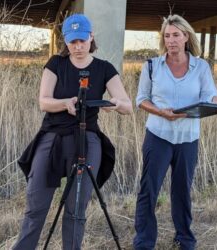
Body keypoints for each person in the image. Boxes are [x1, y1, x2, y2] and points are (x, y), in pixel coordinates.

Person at [13, 13, 132, 250]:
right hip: (52, 137)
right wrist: (65, 103)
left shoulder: (104, 68)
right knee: (36, 206)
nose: (78, 47)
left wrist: (116, 104)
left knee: (76, 209)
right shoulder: (56, 63)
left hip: (87, 140)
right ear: (65, 41)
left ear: (91, 37)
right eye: (72, 41)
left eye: (82, 41)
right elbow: (44, 102)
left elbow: (127, 106)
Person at [133, 14, 217, 250]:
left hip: (188, 138)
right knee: (149, 190)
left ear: (186, 36)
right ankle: (144, 242)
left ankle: (185, 240)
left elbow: (210, 95)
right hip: (158, 136)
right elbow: (141, 100)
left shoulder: (201, 67)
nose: (171, 40)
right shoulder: (151, 66)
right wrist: (160, 112)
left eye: (176, 35)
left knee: (182, 191)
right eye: (167, 36)